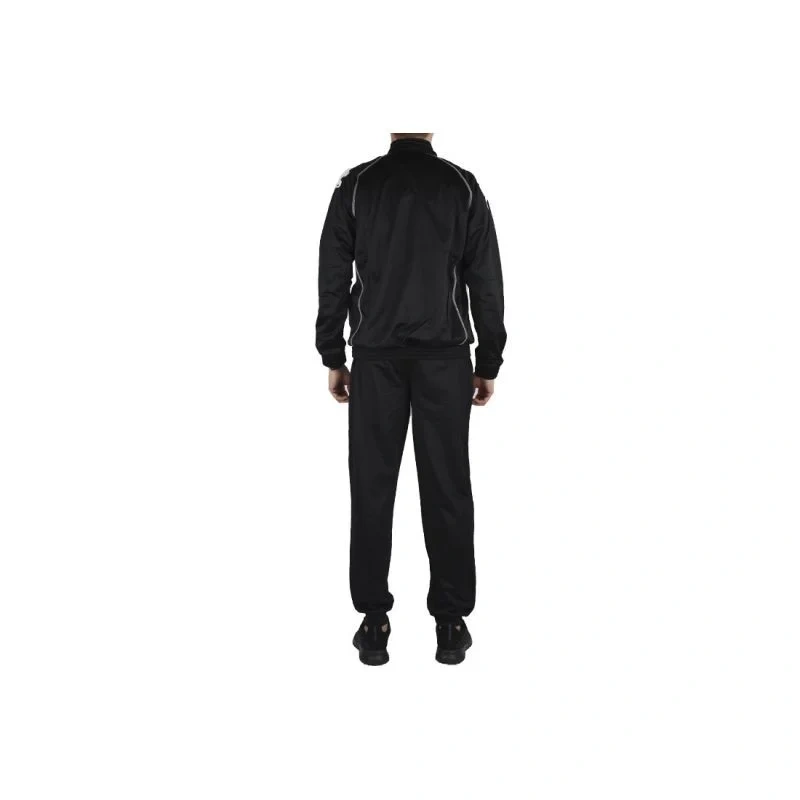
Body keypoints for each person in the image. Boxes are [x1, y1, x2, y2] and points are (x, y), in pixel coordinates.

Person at [316, 133, 506, 665]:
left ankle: (373, 622)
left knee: (371, 487)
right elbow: (485, 279)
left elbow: (333, 273)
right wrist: (488, 361)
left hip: (376, 358)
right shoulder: (461, 185)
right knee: (447, 487)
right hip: (446, 359)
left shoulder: (358, 185)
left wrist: (333, 354)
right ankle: (451, 623)